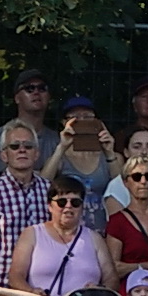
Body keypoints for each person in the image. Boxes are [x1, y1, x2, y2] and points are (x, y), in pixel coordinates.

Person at [0, 122, 50, 292]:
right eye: (14, 146)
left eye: (28, 146)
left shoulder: (50, 191)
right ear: (4, 155)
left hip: (41, 288)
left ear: (36, 154)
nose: (22, 150)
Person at [9, 174, 118, 296]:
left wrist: (99, 291)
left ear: (82, 207)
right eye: (62, 202)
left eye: (75, 202)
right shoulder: (32, 234)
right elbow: (15, 276)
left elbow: (111, 278)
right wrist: (31, 292)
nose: (68, 206)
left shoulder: (95, 238)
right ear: (50, 206)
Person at [40, 97, 117, 232]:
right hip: (67, 231)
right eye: (75, 118)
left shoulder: (108, 156)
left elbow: (123, 189)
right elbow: (42, 184)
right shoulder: (60, 158)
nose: (81, 121)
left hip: (104, 232)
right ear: (64, 122)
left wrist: (110, 152)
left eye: (87, 117)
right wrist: (61, 147)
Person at [104, 155, 148, 283]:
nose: (143, 181)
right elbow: (114, 268)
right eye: (137, 177)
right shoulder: (117, 222)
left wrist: (133, 267)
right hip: (129, 293)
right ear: (126, 182)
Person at [0, 69, 59, 175]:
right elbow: (14, 177)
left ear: (49, 97)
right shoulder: (2, 134)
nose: (36, 92)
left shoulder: (55, 139)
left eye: (42, 88)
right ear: (17, 98)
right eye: (29, 89)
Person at [101, 127, 148, 218]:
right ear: (126, 152)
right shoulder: (115, 186)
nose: (144, 152)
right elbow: (118, 226)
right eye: (137, 147)